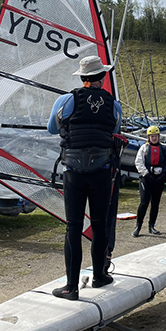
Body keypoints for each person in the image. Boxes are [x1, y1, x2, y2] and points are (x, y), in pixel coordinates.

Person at [47, 55, 122, 300]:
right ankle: (100, 276)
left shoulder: (66, 100)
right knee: (99, 225)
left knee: (74, 228)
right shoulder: (113, 104)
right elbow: (115, 129)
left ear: (81, 77)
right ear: (102, 77)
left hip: (73, 174)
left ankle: (71, 287)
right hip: (101, 173)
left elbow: (51, 128)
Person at [132, 126, 166, 237]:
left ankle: (151, 226)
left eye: (156, 136)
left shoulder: (163, 149)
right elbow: (138, 162)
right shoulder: (144, 148)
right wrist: (147, 175)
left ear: (159, 136)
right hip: (146, 178)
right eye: (152, 136)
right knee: (144, 202)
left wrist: (162, 176)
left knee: (155, 203)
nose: (154, 138)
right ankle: (138, 226)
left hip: (158, 179)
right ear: (149, 137)